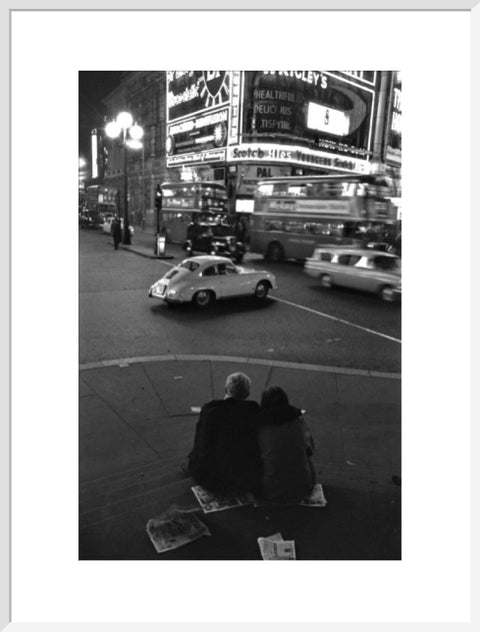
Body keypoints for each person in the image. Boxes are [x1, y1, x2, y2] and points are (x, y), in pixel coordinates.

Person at [187, 372, 262, 494]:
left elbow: (201, 443)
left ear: (226, 389)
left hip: (211, 477)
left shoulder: (210, 409)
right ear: (247, 393)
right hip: (244, 477)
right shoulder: (253, 410)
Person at [257, 385, 316, 504]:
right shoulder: (298, 420)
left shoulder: (259, 424)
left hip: (270, 490)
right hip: (303, 488)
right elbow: (311, 449)